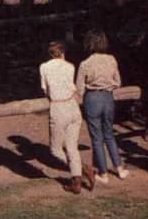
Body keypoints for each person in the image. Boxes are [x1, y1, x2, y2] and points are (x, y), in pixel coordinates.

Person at [76, 29, 127, 184]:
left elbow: (79, 88)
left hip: (92, 98)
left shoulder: (85, 64)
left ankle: (103, 173)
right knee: (109, 133)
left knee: (97, 138)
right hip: (108, 98)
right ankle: (119, 168)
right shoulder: (111, 59)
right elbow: (118, 82)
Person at [40, 41, 92, 194]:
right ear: (63, 53)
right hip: (73, 106)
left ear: (49, 54)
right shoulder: (70, 66)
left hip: (58, 107)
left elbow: (45, 89)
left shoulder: (44, 67)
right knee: (71, 147)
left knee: (56, 149)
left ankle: (83, 169)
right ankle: (77, 181)